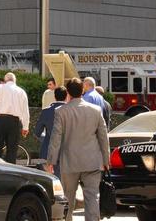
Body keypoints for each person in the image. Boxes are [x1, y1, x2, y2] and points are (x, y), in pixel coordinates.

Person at [46, 78, 110, 221]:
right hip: (93, 161)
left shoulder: (60, 112)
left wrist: (51, 160)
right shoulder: (96, 110)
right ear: (83, 90)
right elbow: (103, 137)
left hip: (69, 162)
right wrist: (106, 159)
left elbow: (56, 138)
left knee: (68, 198)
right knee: (92, 198)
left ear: (68, 92)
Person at [0, 71, 29, 164]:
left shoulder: (0, 87)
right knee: (12, 150)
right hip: (14, 122)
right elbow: (25, 111)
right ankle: (10, 173)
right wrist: (25, 127)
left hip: (0, 120)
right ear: (15, 81)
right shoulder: (21, 91)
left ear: (5, 80)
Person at [35, 85, 67, 178]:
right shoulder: (71, 111)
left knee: (51, 180)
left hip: (49, 150)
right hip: (67, 150)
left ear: (55, 96)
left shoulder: (46, 111)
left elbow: (37, 132)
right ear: (66, 96)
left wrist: (46, 138)